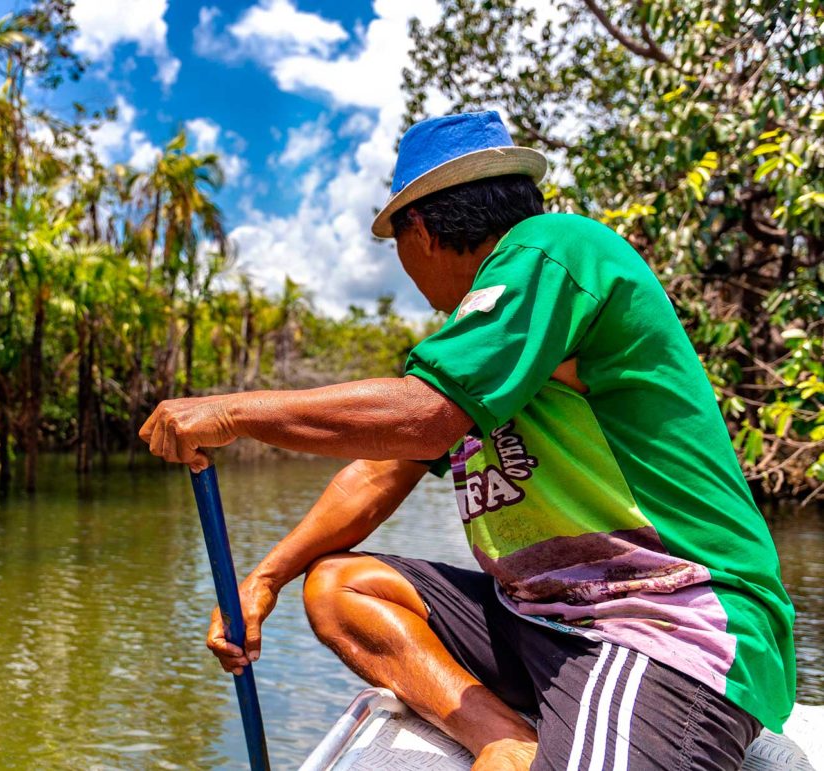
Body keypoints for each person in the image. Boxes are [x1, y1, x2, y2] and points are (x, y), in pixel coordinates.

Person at [139, 111, 795, 770]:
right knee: (340, 588)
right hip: (541, 617)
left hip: (659, 616)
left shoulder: (552, 249)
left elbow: (424, 415)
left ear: (418, 230)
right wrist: (266, 578)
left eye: (396, 243)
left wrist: (232, 411)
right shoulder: (474, 335)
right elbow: (378, 472)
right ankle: (503, 739)